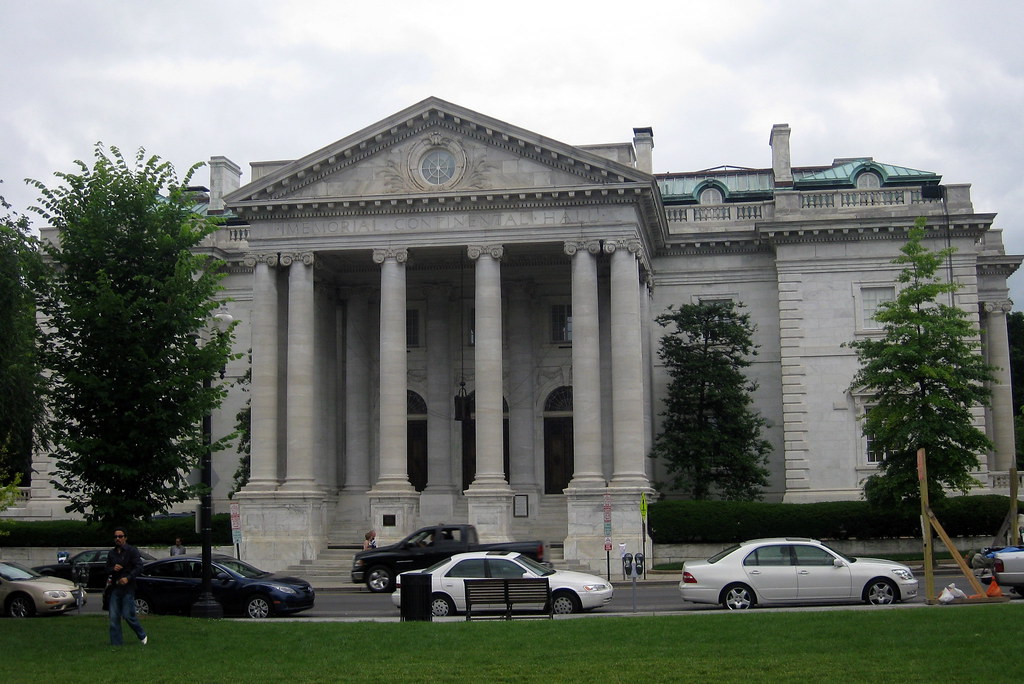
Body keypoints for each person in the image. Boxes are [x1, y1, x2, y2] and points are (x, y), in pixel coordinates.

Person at [105, 528, 148, 647]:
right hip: (115, 587)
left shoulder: (131, 551)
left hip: (128, 588)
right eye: (115, 537)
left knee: (128, 615)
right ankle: (116, 643)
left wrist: (128, 578)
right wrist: (113, 569)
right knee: (113, 617)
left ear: (125, 538)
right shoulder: (112, 553)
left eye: (120, 536)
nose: (117, 539)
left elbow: (139, 567)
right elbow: (106, 569)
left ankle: (142, 634)